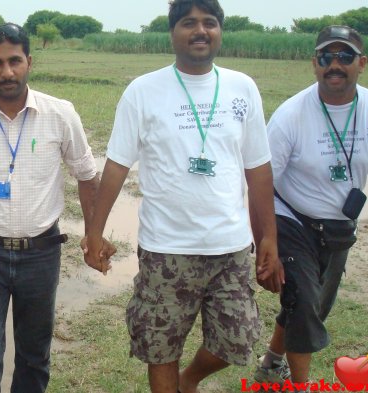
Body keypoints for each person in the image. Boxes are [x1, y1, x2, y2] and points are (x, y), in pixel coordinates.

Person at [85, 1, 284, 392]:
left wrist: (269, 237)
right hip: (166, 248)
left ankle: (188, 380)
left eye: (209, 23)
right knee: (160, 347)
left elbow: (258, 169)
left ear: (220, 31)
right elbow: (116, 167)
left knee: (239, 338)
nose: (200, 31)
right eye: (189, 23)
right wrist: (95, 230)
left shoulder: (242, 87)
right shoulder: (143, 91)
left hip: (230, 247)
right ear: (172, 32)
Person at [0, 23, 114, 393]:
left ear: (30, 61)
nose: (7, 72)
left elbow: (87, 177)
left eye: (15, 61)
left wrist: (94, 236)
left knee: (33, 357)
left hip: (41, 255)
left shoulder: (60, 114)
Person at [255, 25, 368, 389]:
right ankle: (300, 385)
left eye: (345, 57)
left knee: (311, 306)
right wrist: (266, 242)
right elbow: (260, 183)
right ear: (315, 64)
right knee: (306, 304)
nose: (335, 65)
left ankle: (271, 363)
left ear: (363, 63)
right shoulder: (291, 114)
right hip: (292, 217)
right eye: (326, 57)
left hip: (339, 226)